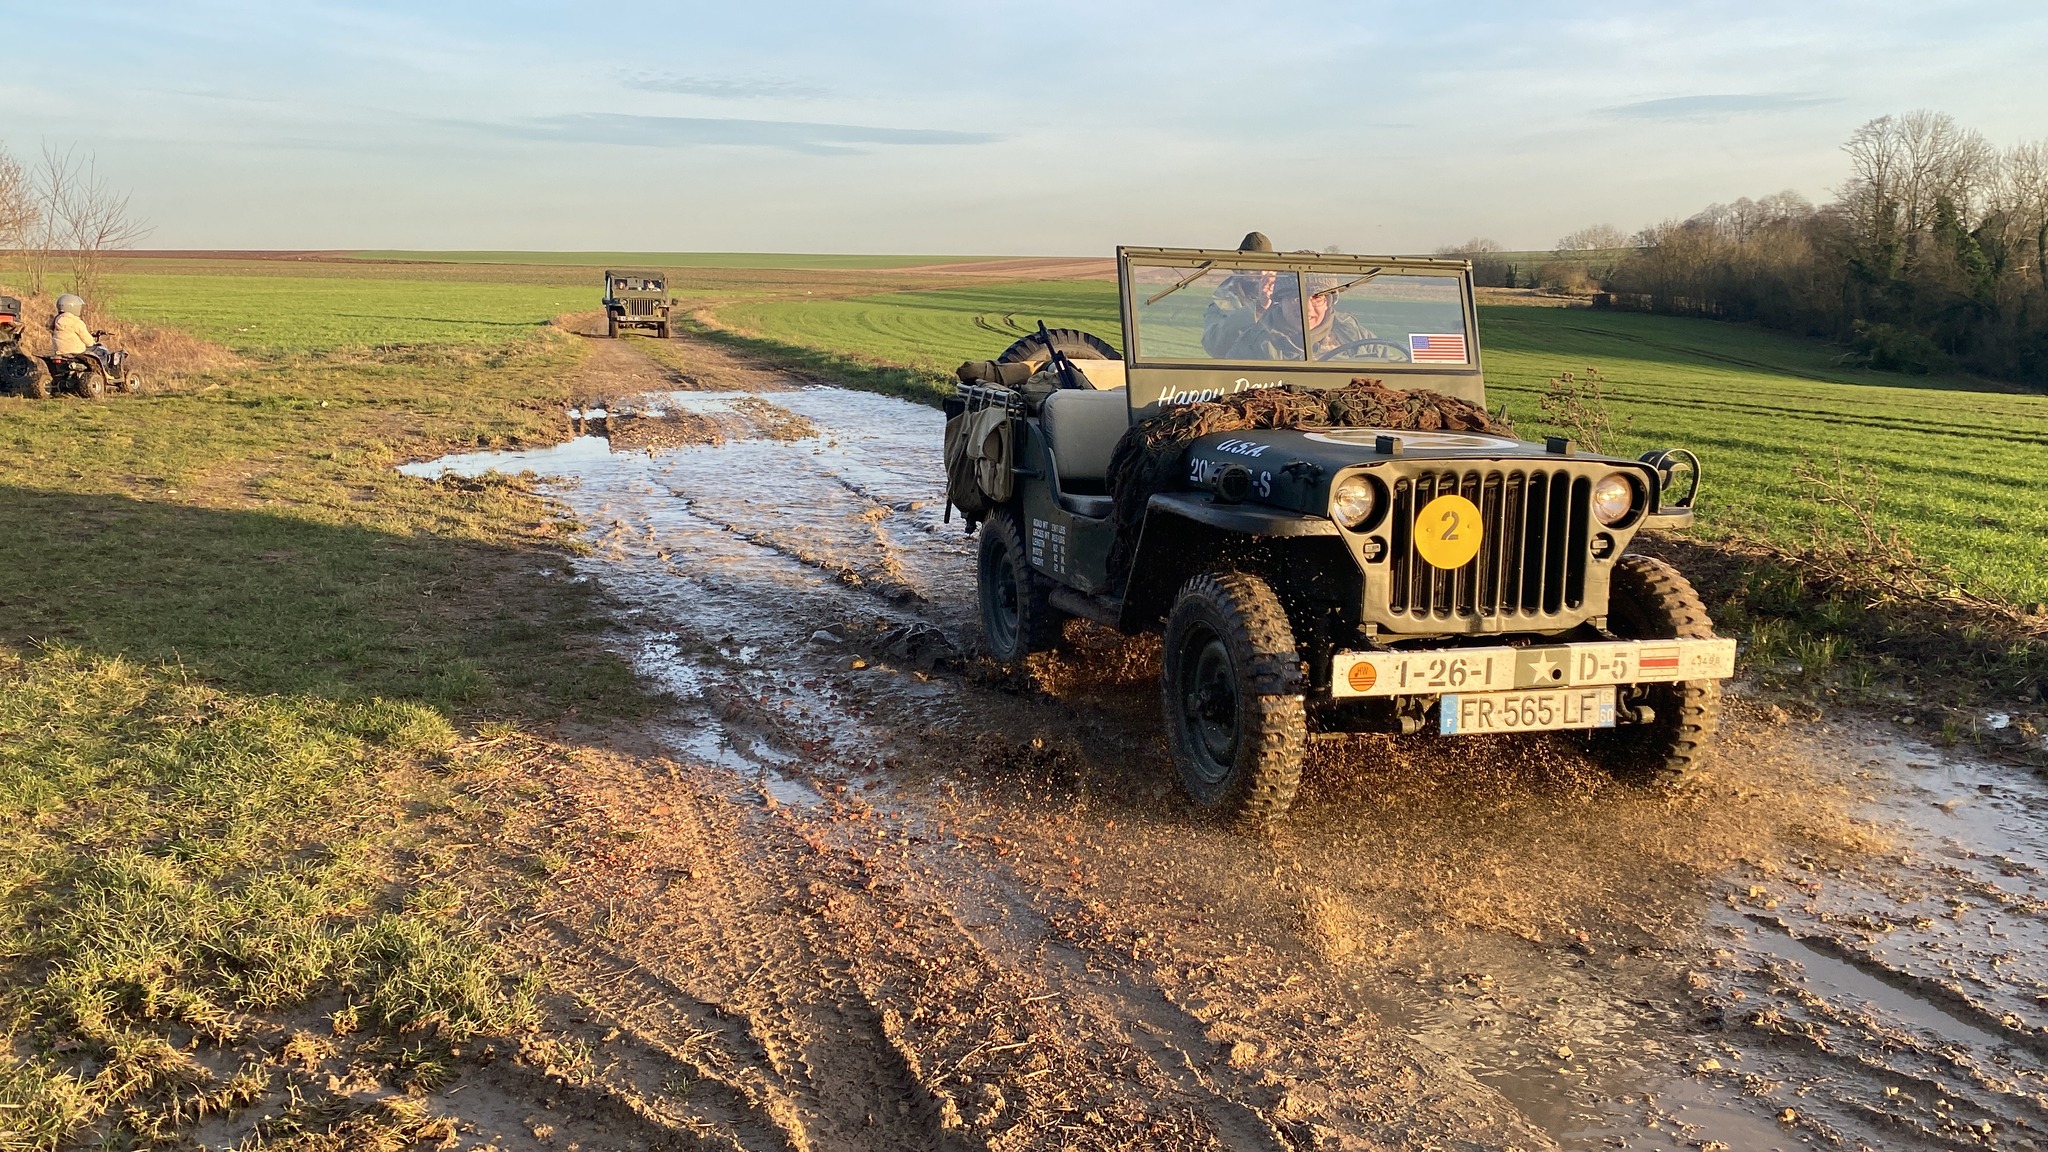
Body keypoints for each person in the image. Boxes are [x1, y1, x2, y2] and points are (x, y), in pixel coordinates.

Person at [1227, 271, 1374, 361]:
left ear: (1329, 303)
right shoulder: (1254, 343)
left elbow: (1386, 365)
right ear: (1281, 301)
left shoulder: (1353, 334)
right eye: (1296, 299)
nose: (1307, 308)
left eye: (1317, 298)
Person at [1200, 231, 1279, 358]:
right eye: (1254, 267)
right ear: (1240, 270)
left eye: (1267, 266)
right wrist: (1258, 309)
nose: (1262, 273)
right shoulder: (1223, 300)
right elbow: (1212, 344)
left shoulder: (1289, 297)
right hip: (1240, 367)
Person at [50, 294, 113, 374]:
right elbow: (89, 342)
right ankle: (104, 373)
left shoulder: (56, 321)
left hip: (60, 351)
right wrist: (92, 341)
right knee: (101, 352)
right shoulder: (76, 322)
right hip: (76, 351)